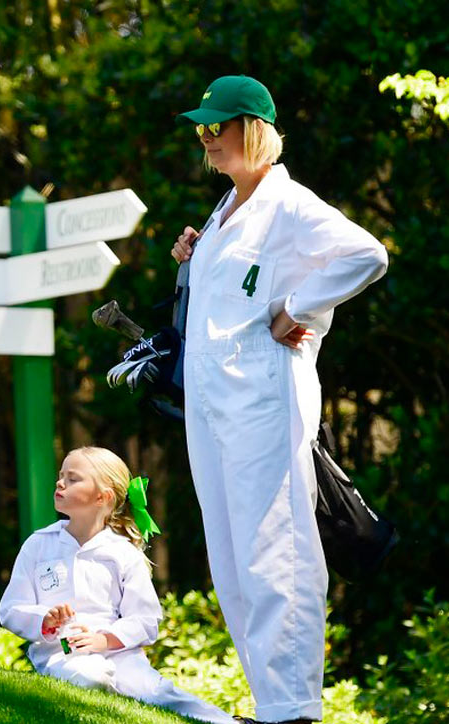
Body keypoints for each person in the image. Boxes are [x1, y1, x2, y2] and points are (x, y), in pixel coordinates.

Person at [170, 76, 388, 724]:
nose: (207, 139)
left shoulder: (289, 204)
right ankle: (271, 705)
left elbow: (367, 255)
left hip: (264, 403)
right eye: (202, 128)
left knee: (276, 552)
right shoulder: (224, 208)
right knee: (231, 561)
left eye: (219, 126)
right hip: (212, 406)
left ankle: (294, 709)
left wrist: (297, 307)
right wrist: (191, 257)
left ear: (254, 129)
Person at [0, 447, 234, 724]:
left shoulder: (123, 553)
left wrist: (104, 640)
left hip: (120, 654)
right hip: (63, 652)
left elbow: (146, 619)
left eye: (73, 479)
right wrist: (45, 620)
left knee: (157, 693)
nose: (60, 483)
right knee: (90, 678)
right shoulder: (38, 545)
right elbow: (11, 608)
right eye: (61, 476)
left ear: (103, 497)